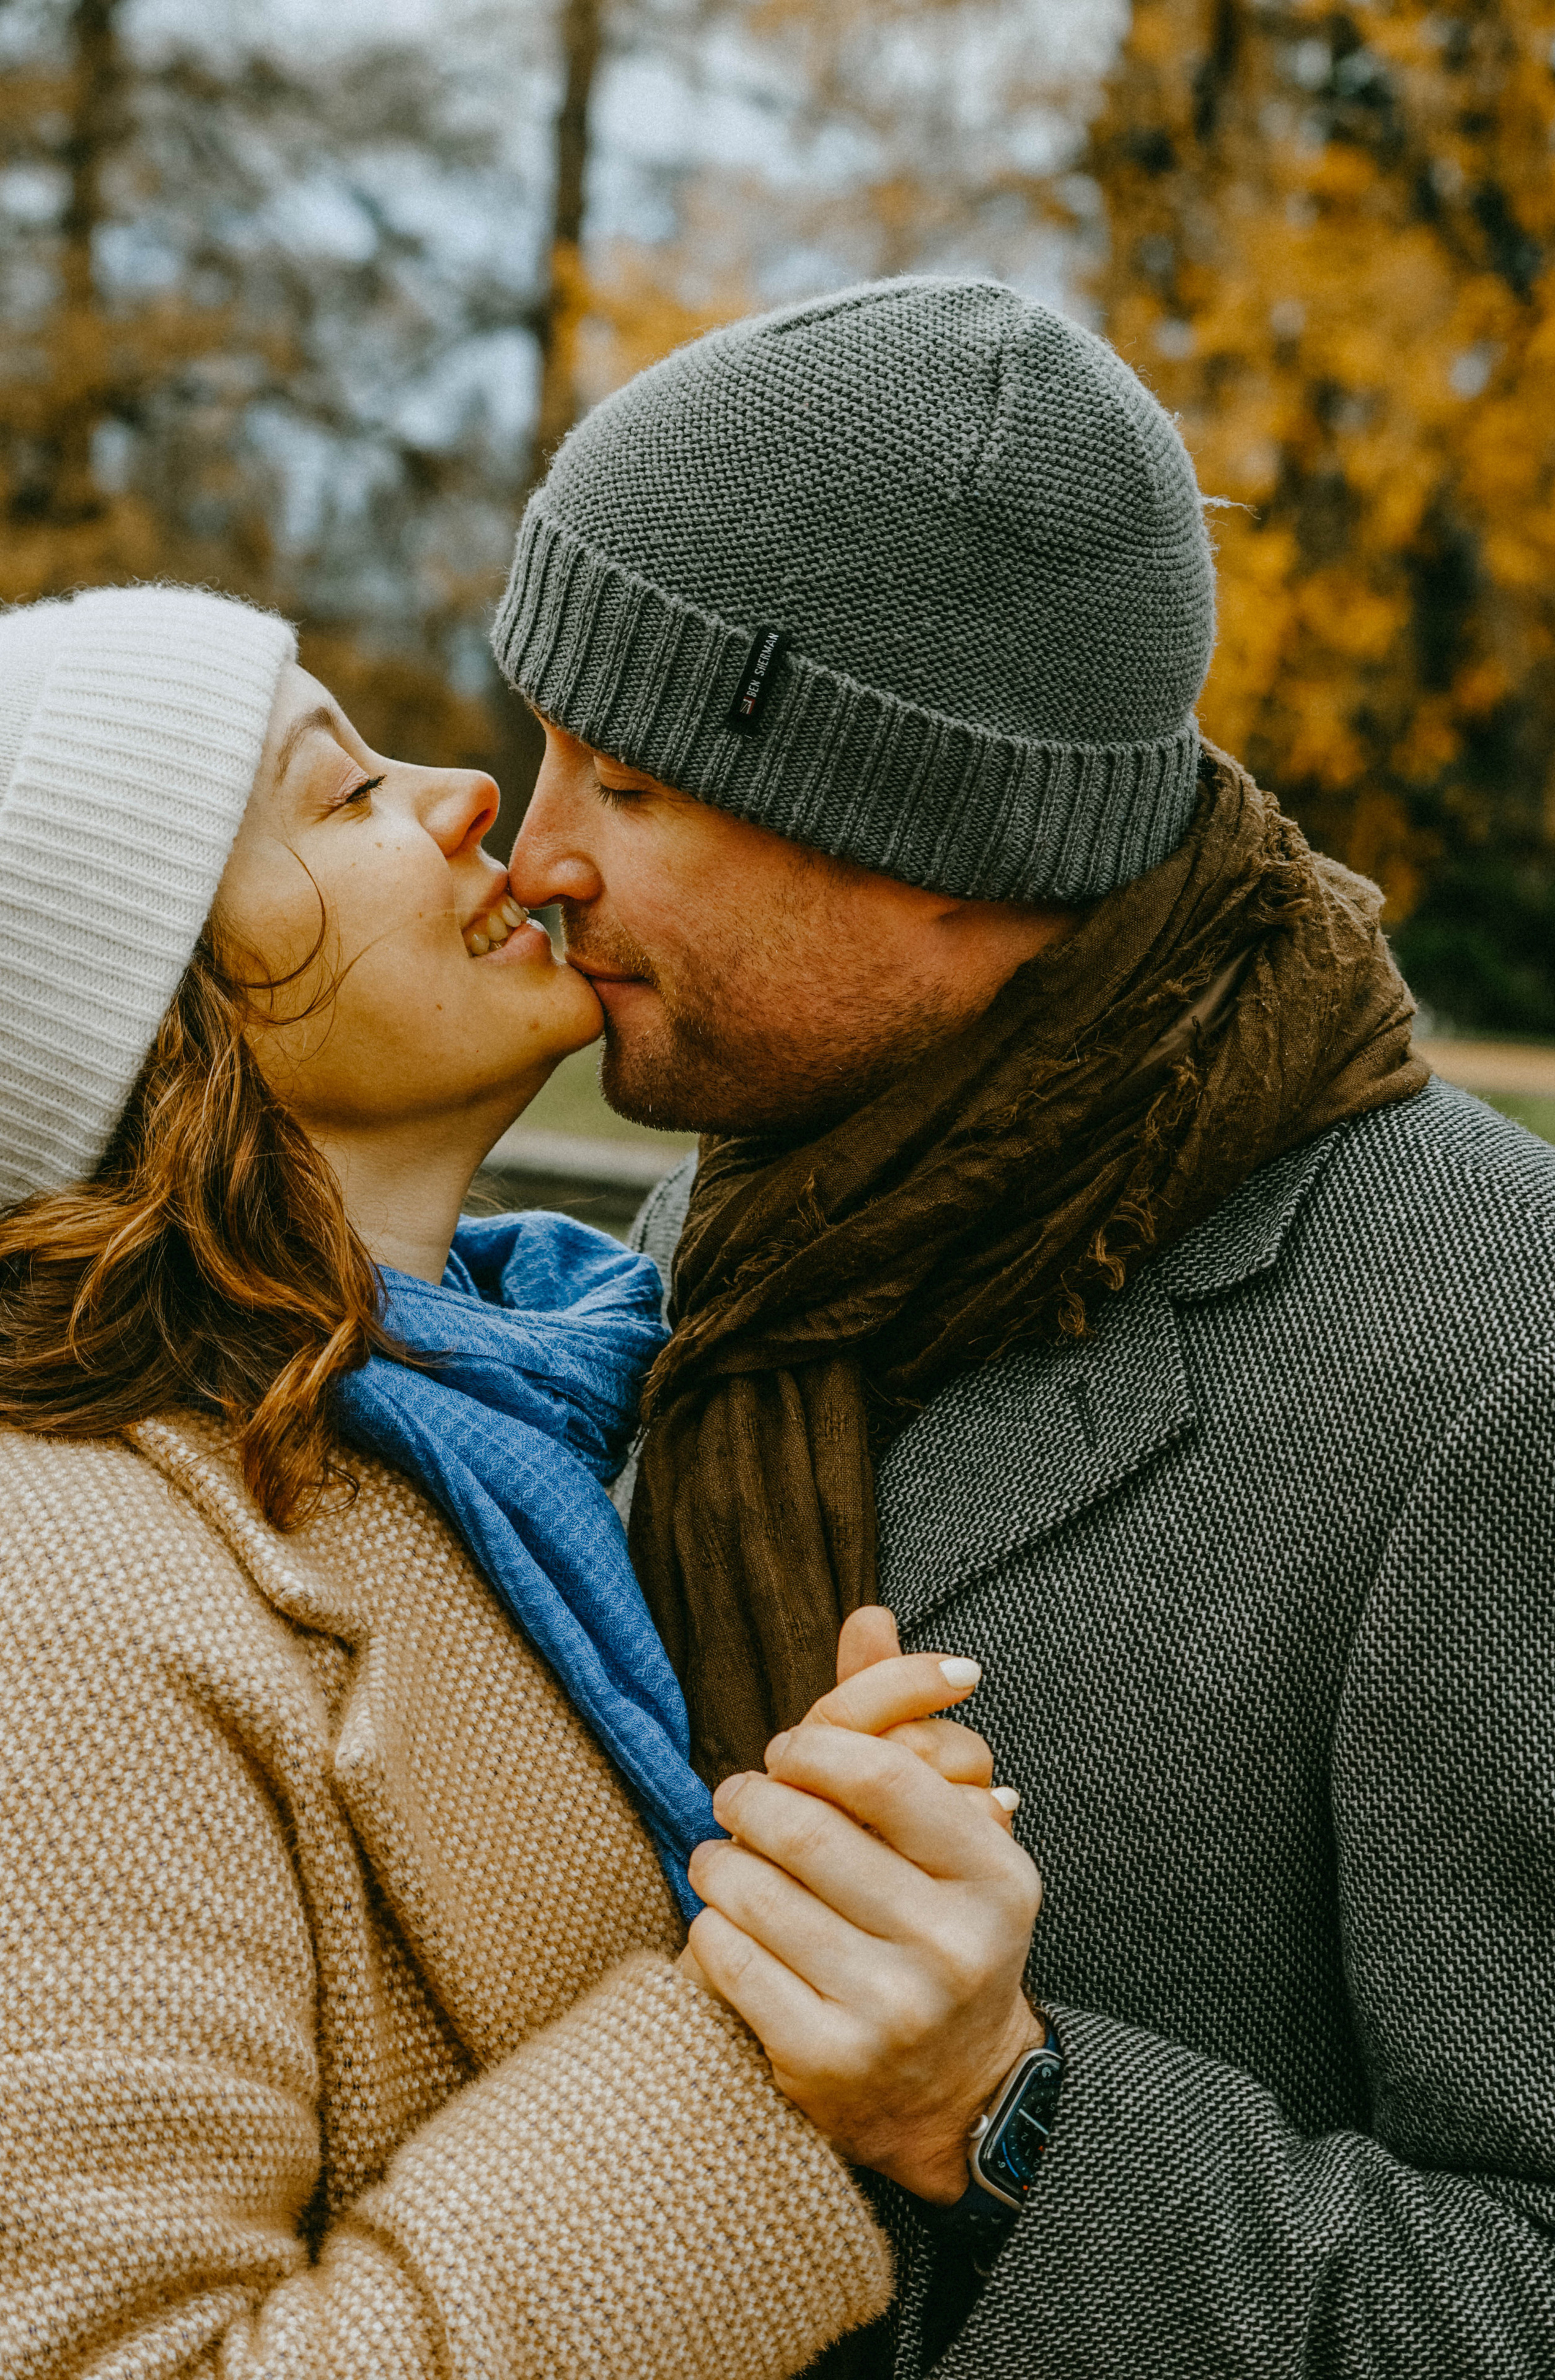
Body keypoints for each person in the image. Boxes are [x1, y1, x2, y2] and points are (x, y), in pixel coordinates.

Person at [496, 275, 1555, 2376]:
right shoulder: (778, 1213)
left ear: (942, 846)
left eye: (625, 783)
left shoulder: (1513, 1364)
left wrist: (1006, 2121)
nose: (535, 855)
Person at [0, 582, 1043, 2379]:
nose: (467, 795)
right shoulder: (69, 1594)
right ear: (159, 1025)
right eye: (340, 797)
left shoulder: (568, 1386)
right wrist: (775, 2030)